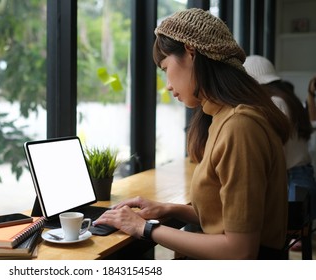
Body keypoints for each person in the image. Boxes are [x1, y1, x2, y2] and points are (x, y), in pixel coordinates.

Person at [94, 8, 291, 259]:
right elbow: (225, 215)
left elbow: (240, 251)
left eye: (165, 68)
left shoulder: (240, 127)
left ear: (190, 52)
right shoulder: (223, 118)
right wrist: (167, 208)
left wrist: (144, 228)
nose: (167, 84)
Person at [244, 56, 316, 251]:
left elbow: (276, 151)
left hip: (292, 181)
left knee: (266, 232)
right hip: (302, 179)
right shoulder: (288, 99)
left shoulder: (275, 103)